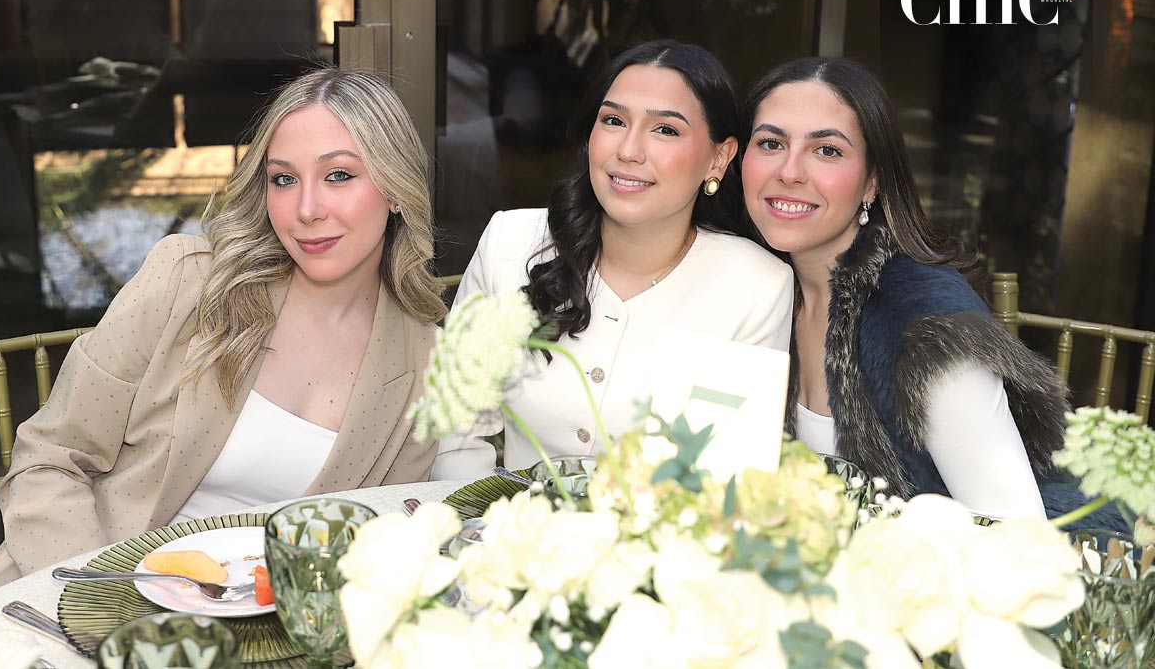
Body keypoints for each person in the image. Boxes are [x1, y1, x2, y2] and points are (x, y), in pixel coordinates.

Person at [0, 68, 446, 590]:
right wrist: (105, 603)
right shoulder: (187, 282)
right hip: (91, 594)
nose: (307, 210)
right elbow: (48, 461)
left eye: (338, 175)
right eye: (283, 179)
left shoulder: (423, 361)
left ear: (395, 189)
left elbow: (384, 543)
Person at [741, 56, 1118, 524]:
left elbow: (1012, 534)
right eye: (771, 143)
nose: (790, 171)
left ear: (872, 181)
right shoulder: (751, 288)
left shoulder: (928, 330)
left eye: (828, 151)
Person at [431, 40, 794, 480]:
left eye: (665, 130)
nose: (628, 150)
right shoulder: (510, 243)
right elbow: (457, 433)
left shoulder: (754, 285)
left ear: (719, 157)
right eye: (614, 120)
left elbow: (723, 481)